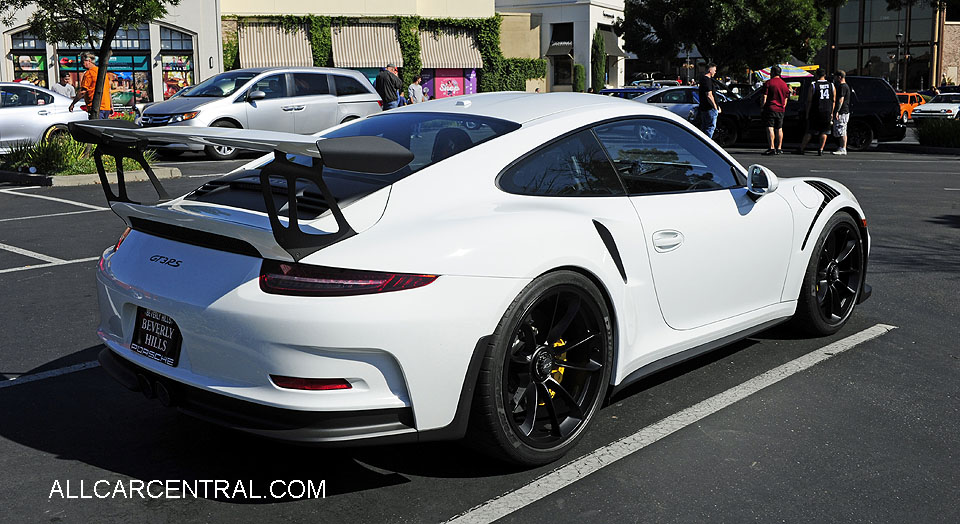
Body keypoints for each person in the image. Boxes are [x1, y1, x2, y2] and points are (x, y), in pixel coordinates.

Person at [795, 69, 834, 156]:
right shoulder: (831, 85)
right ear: (825, 75)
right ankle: (821, 149)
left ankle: (802, 148)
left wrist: (807, 112)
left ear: (816, 75)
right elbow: (833, 100)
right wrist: (832, 112)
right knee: (824, 131)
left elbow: (809, 100)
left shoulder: (814, 85)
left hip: (816, 111)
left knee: (810, 131)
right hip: (827, 111)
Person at [69, 52, 112, 119]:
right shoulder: (102, 73)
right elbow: (108, 91)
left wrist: (73, 103)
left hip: (95, 107)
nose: (82, 64)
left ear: (89, 61)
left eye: (82, 61)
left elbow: (82, 92)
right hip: (106, 107)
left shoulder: (89, 73)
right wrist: (111, 106)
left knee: (96, 128)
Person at [759, 65, 790, 155]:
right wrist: (783, 106)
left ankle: (771, 147)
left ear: (772, 72)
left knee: (770, 127)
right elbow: (786, 99)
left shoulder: (769, 83)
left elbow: (764, 97)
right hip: (781, 109)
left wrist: (762, 107)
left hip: (771, 108)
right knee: (779, 128)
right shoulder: (784, 84)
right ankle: (779, 147)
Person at [696, 63, 721, 138]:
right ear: (710, 70)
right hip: (709, 108)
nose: (715, 72)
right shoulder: (707, 80)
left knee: (704, 127)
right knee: (710, 128)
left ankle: (702, 143)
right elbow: (709, 95)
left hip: (704, 107)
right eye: (714, 70)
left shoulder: (703, 80)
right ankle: (707, 144)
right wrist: (715, 107)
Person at [832, 70, 852, 155]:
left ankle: (843, 148)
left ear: (839, 77)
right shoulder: (844, 86)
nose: (834, 78)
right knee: (840, 130)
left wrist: (837, 111)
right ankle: (841, 147)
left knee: (842, 130)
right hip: (844, 111)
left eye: (835, 77)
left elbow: (841, 100)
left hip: (843, 111)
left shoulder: (842, 87)